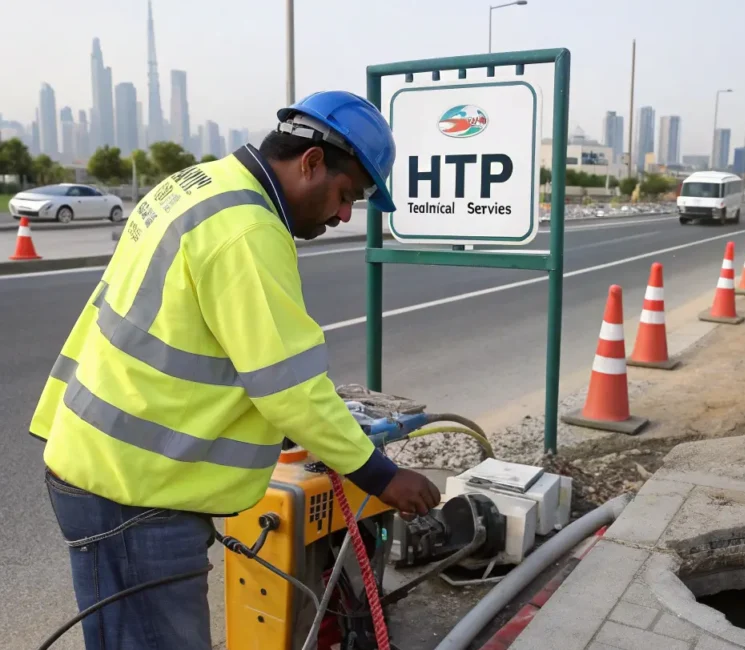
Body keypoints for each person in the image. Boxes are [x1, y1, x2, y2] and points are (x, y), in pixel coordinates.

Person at [31, 90, 441, 650]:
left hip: (103, 465)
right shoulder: (248, 228)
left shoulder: (198, 184)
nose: (345, 214)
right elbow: (290, 385)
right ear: (311, 162)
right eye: (347, 195)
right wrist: (382, 476)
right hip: (136, 491)